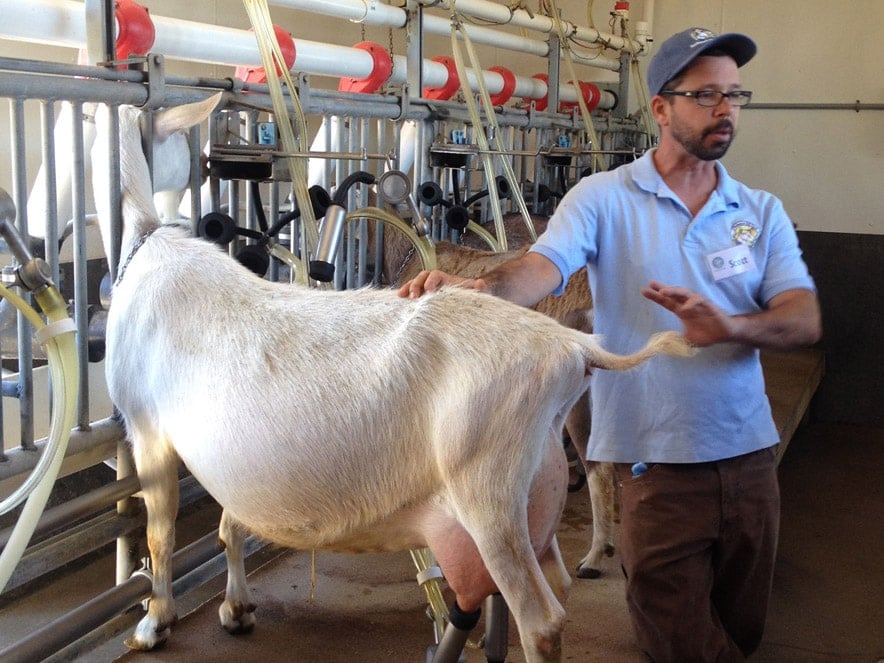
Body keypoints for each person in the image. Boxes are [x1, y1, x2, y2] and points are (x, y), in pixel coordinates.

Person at [399, 26, 822, 662]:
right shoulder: (603, 199)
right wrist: (483, 288)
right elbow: (546, 266)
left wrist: (732, 327)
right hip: (656, 464)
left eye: (735, 95)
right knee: (677, 641)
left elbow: (803, 316)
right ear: (661, 107)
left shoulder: (757, 210)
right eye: (706, 95)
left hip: (751, 459)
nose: (726, 109)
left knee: (740, 631)